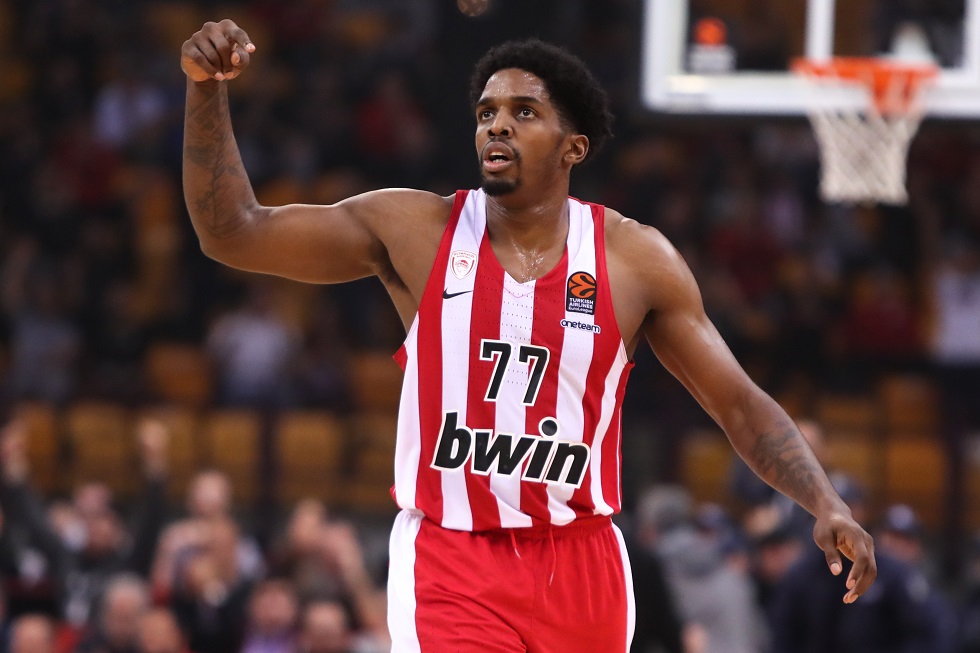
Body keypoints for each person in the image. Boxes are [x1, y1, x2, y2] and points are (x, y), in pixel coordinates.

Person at [179, 20, 877, 651]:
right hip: (453, 558)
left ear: (573, 146)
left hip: (583, 562)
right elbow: (233, 231)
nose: (497, 126)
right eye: (486, 113)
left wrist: (824, 500)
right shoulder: (415, 230)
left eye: (523, 112)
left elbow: (739, 404)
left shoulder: (635, 260)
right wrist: (206, 90)